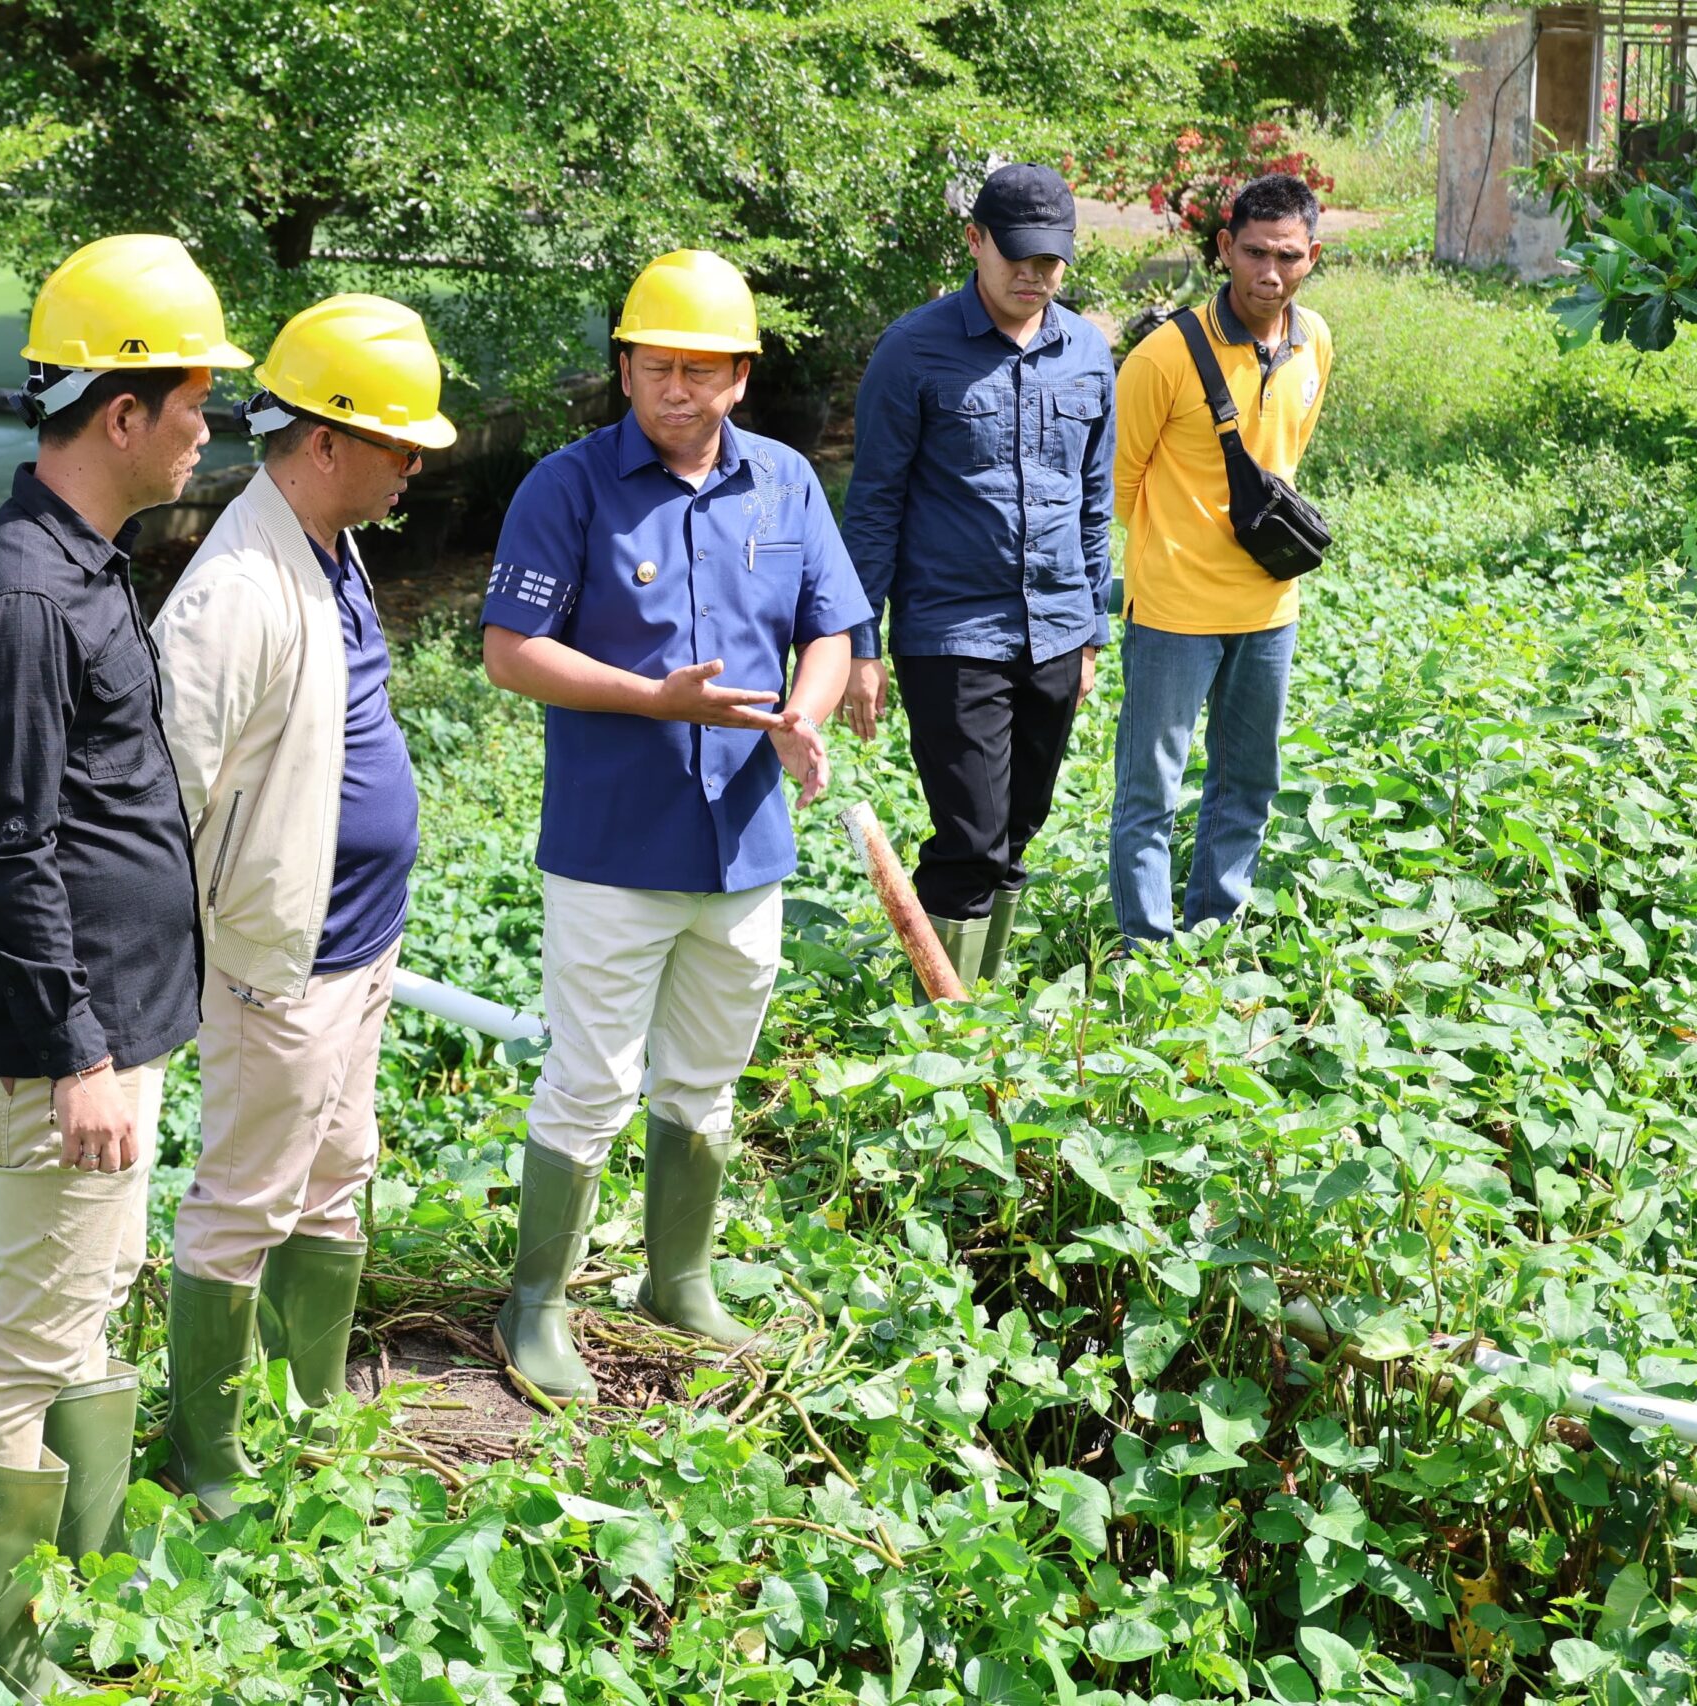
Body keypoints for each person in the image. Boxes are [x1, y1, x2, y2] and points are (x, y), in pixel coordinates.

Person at [0, 234, 250, 1682]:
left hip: (108, 1032)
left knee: (82, 1301)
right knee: (38, 1323)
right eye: (193, 405)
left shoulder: (84, 565)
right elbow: (3, 848)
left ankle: (78, 1581)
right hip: (67, 1047)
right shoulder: (24, 598)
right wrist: (81, 1053)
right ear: (121, 411)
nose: (203, 430)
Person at [478, 248, 871, 1403]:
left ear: (741, 376)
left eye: (703, 371)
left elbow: (831, 624)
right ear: (626, 368)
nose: (678, 390)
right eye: (657, 368)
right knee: (590, 1077)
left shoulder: (787, 484)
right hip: (615, 843)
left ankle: (677, 1278)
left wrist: (803, 711)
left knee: (704, 1074)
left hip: (745, 842)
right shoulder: (568, 486)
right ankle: (536, 1301)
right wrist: (655, 698)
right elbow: (510, 652)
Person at [148, 294, 454, 1511]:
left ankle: (310, 1413)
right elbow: (167, 797)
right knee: (245, 1200)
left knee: (336, 1176)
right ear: (322, 439)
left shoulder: (332, 541)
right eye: (396, 443)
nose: (416, 463)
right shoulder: (230, 594)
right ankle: (211, 1456)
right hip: (283, 962)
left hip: (358, 946)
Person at [839, 163, 1114, 985]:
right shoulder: (912, 351)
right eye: (1017, 258)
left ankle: (983, 1001)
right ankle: (945, 1024)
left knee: (1018, 827)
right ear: (974, 241)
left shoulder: (1089, 352)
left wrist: (1091, 632)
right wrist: (861, 646)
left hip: (1057, 631)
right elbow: (875, 505)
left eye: (1051, 261)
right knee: (972, 834)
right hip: (952, 632)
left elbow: (1094, 503)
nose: (1034, 277)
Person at [1108, 173, 1332, 942]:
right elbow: (1119, 480)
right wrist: (1173, 552)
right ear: (1224, 250)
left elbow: (1287, 456)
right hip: (1173, 611)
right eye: (1256, 253)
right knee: (1151, 791)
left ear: (1312, 257)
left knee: (1248, 784)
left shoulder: (1315, 342)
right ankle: (1144, 950)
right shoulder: (1165, 355)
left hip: (1270, 607)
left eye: (1290, 256)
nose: (1271, 273)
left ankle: (1214, 934)